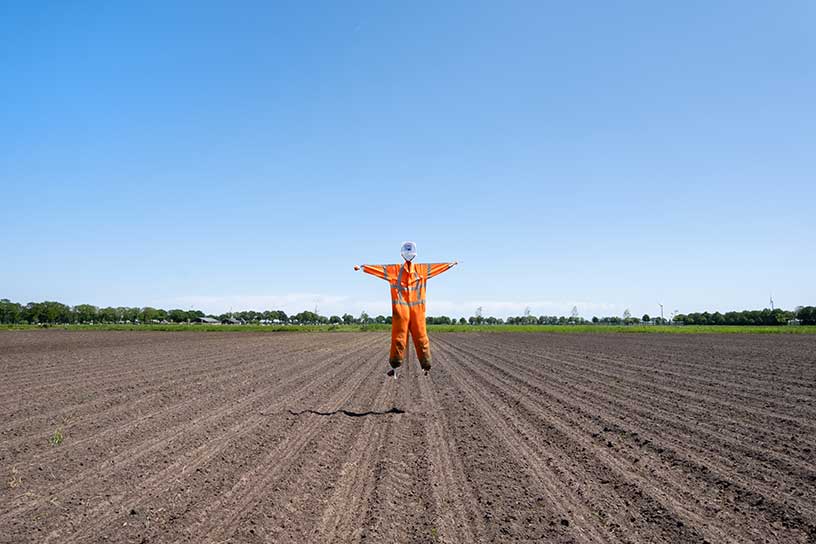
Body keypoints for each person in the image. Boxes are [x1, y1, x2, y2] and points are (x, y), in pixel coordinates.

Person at [354, 241, 457, 378]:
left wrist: (449, 265)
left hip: (412, 311)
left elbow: (437, 268)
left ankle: (422, 366)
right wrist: (363, 268)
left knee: (416, 338)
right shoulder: (407, 270)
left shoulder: (408, 269)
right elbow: (378, 270)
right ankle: (400, 366)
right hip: (405, 311)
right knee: (401, 338)